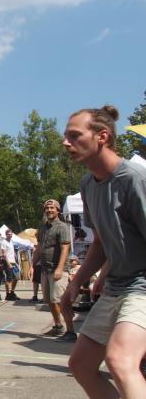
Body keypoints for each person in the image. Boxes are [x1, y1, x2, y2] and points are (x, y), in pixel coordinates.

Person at [62, 105, 146, 397]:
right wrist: (76, 282)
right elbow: (100, 242)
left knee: (121, 361)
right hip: (116, 287)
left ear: (102, 136)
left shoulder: (133, 178)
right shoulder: (88, 185)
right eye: (66, 136)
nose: (66, 143)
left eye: (74, 135)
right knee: (81, 365)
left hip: (143, 287)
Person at [30, 199, 75, 341]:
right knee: (49, 300)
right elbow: (39, 248)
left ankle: (71, 331)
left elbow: (65, 248)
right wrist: (32, 265)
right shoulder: (42, 227)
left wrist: (60, 268)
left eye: (52, 208)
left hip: (58, 269)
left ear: (58, 210)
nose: (49, 210)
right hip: (45, 269)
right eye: (47, 208)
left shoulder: (61, 227)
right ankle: (58, 326)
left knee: (61, 301)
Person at [1, 229, 20, 301]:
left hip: (13, 262)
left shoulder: (11, 242)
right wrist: (8, 263)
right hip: (7, 262)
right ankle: (7, 294)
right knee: (9, 279)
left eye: (11, 234)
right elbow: (4, 254)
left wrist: (15, 263)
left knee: (16, 278)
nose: (10, 235)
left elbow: (12, 253)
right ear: (6, 235)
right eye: (9, 234)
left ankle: (12, 292)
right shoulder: (3, 242)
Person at [30, 229, 43, 303]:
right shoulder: (38, 244)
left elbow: (37, 256)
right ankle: (36, 296)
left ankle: (41, 297)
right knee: (36, 282)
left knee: (40, 282)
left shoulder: (40, 244)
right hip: (38, 265)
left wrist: (32, 266)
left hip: (40, 265)